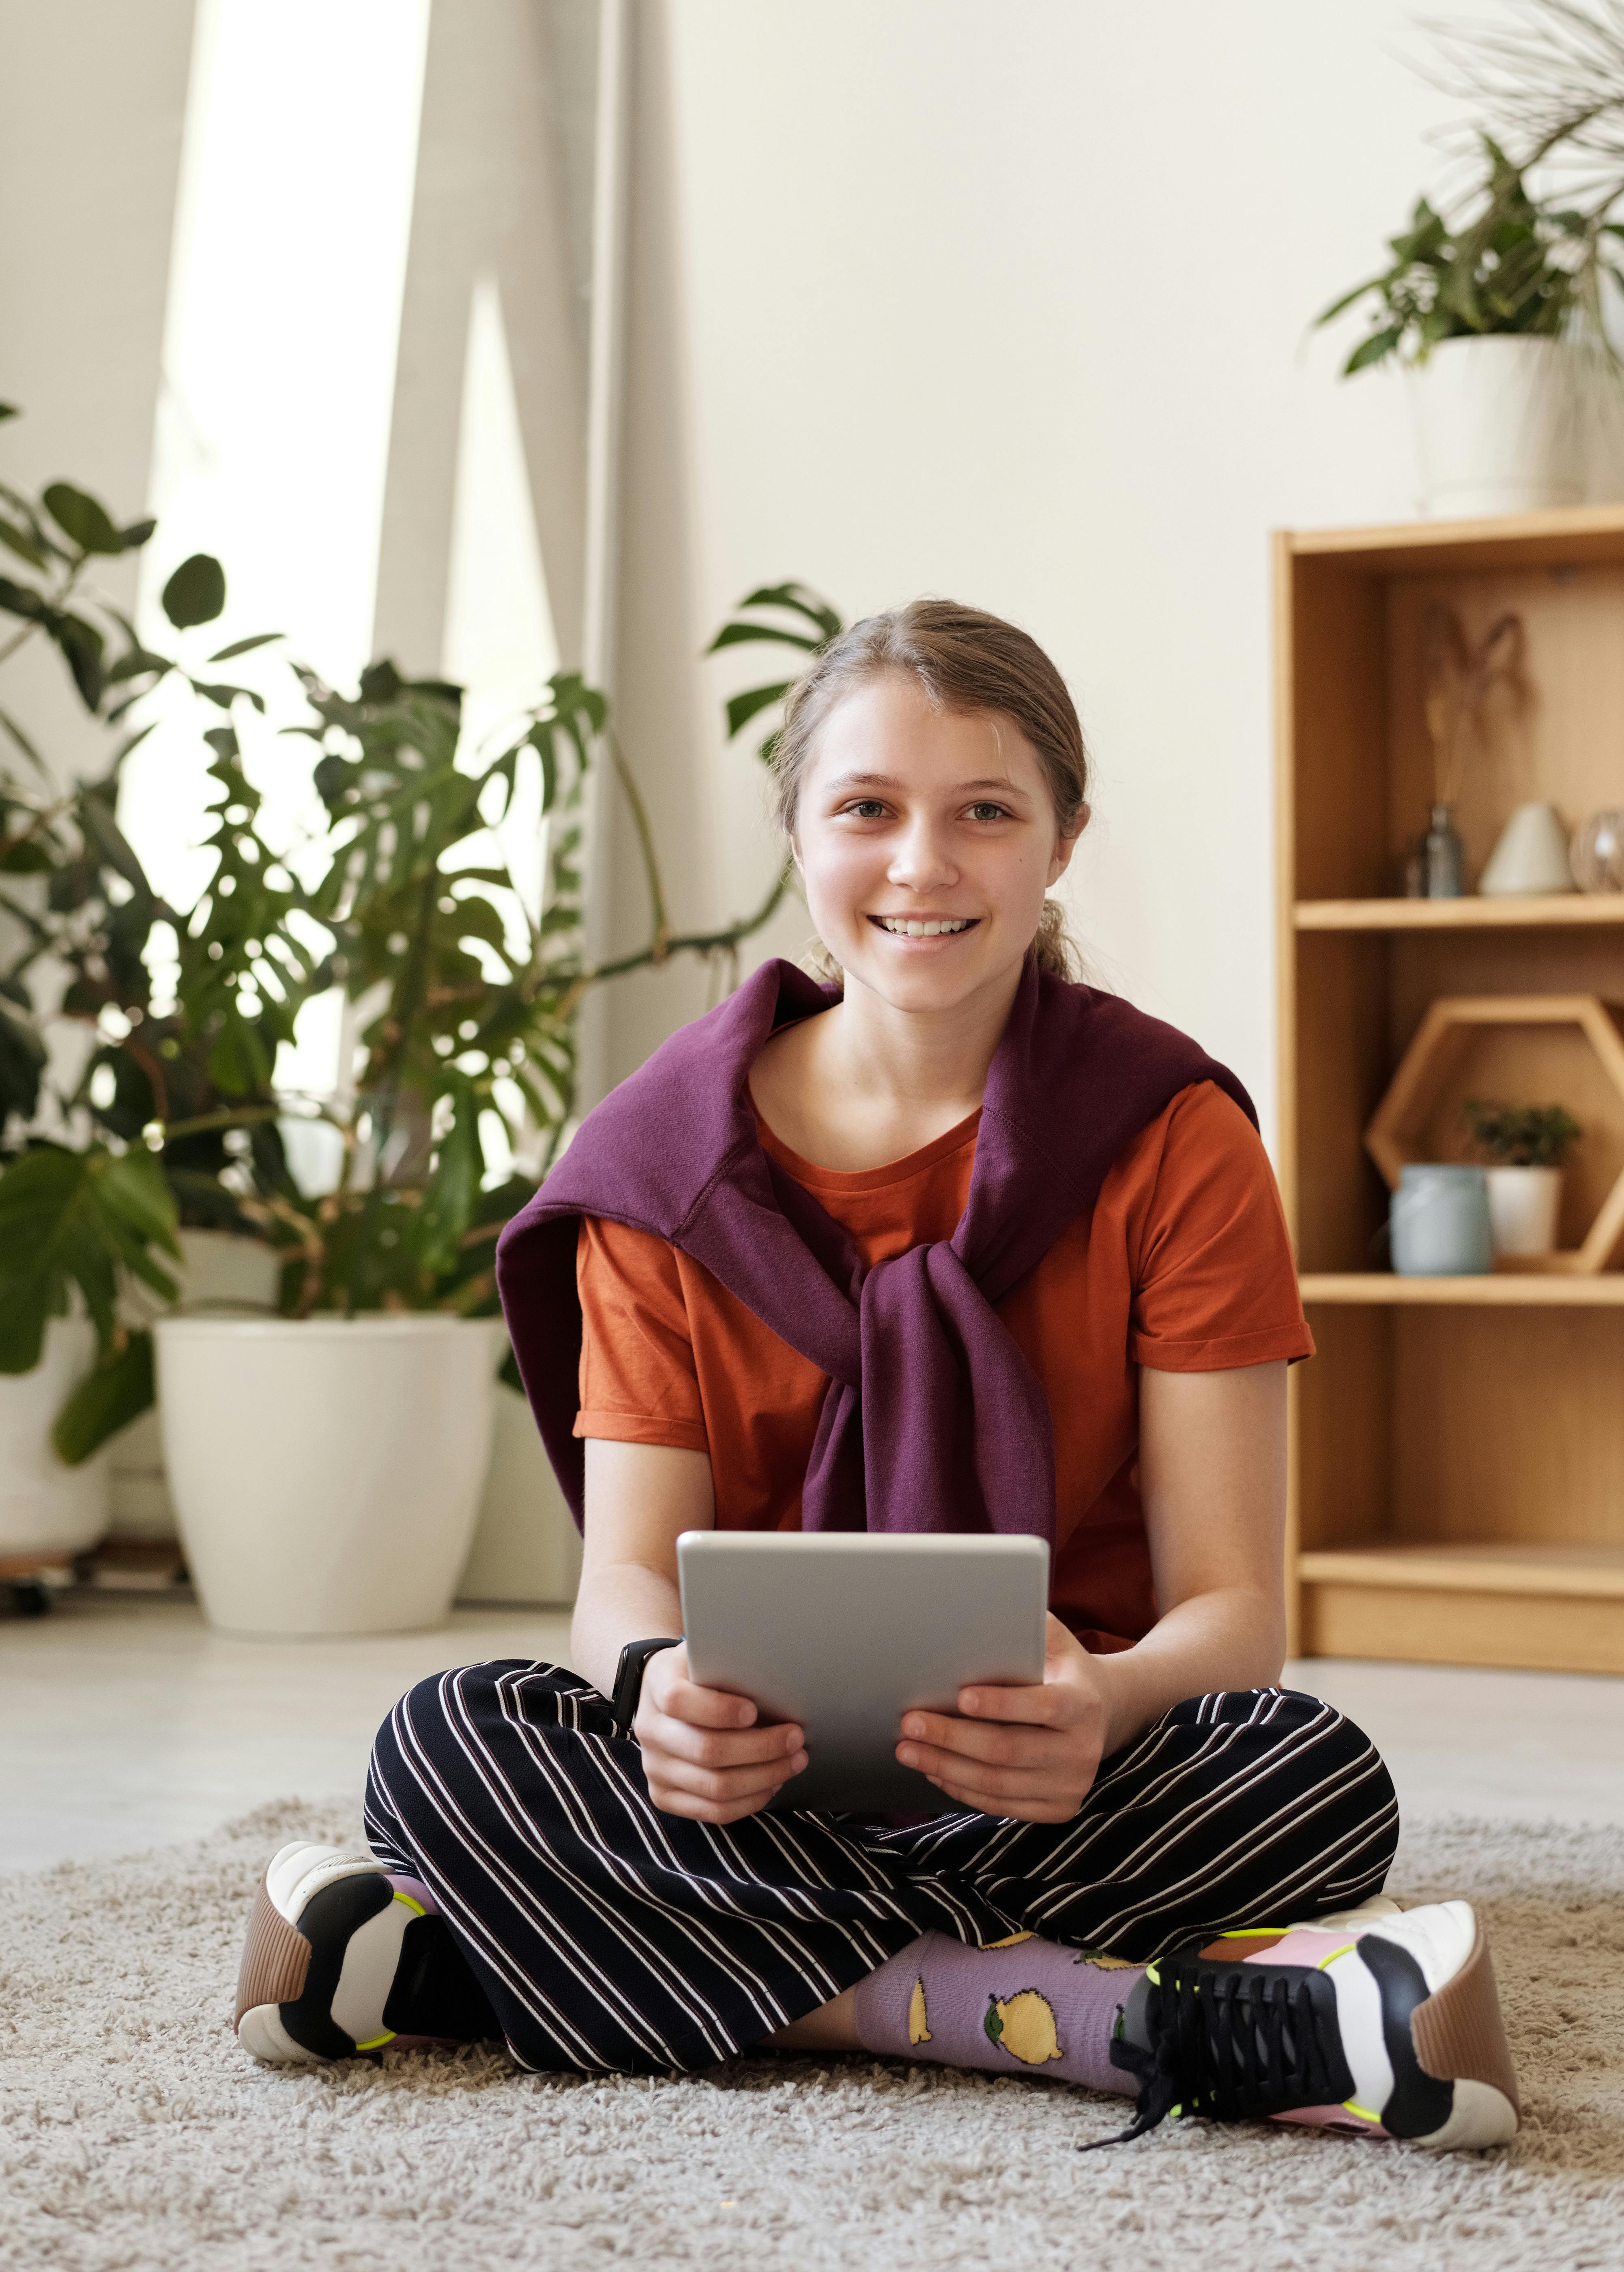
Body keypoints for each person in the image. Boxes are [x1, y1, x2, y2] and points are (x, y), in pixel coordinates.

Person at [232, 601, 1519, 2149]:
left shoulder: (1174, 1138)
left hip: (1060, 1774)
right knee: (449, 1736)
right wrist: (659, 1698)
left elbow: (1235, 1616)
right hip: (740, 1788)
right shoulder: (657, 1169)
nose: (923, 865)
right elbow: (626, 1581)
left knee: (1311, 1772)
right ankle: (1094, 2019)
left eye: (986, 811)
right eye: (866, 810)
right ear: (797, 830)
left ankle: (475, 1965)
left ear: (1060, 842)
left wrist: (1103, 1699)